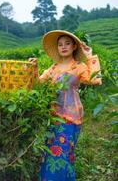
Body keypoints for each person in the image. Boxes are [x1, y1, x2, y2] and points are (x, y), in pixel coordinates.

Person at [39, 30, 102, 181]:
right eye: (60, 44)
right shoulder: (53, 68)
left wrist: (90, 56)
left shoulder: (79, 66)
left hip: (70, 117)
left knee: (65, 153)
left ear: (74, 46)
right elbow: (38, 82)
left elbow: (96, 80)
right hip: (51, 117)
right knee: (49, 153)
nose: (63, 47)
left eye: (67, 43)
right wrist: (32, 67)